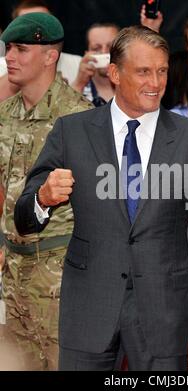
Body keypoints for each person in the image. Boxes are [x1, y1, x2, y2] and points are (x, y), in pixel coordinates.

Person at [14, 25, 188, 371]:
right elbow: (23, 219)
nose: (155, 83)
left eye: (161, 71)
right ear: (114, 73)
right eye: (143, 71)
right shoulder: (72, 131)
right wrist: (43, 197)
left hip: (165, 316)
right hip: (89, 312)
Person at [0, 12, 93, 370]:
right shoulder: (5, 114)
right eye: (8, 48)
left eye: (21, 49)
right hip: (14, 274)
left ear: (50, 56)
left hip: (60, 277)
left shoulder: (79, 120)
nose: (9, 57)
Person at [72, 23, 119, 107]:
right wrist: (79, 83)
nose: (104, 52)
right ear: (87, 54)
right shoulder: (78, 88)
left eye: (111, 47)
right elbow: (64, 117)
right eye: (96, 48)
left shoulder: (133, 84)